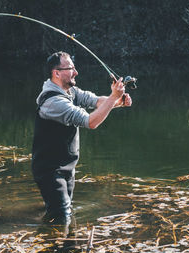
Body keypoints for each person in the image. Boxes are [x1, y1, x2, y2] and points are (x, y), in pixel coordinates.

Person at [32, 51, 132, 224]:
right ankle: (54, 245)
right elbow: (91, 122)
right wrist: (113, 98)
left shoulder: (71, 91)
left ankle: (61, 243)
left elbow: (97, 101)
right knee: (62, 217)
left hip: (67, 167)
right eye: (71, 68)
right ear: (57, 73)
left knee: (63, 211)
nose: (76, 72)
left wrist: (118, 101)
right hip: (50, 171)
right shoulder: (53, 102)